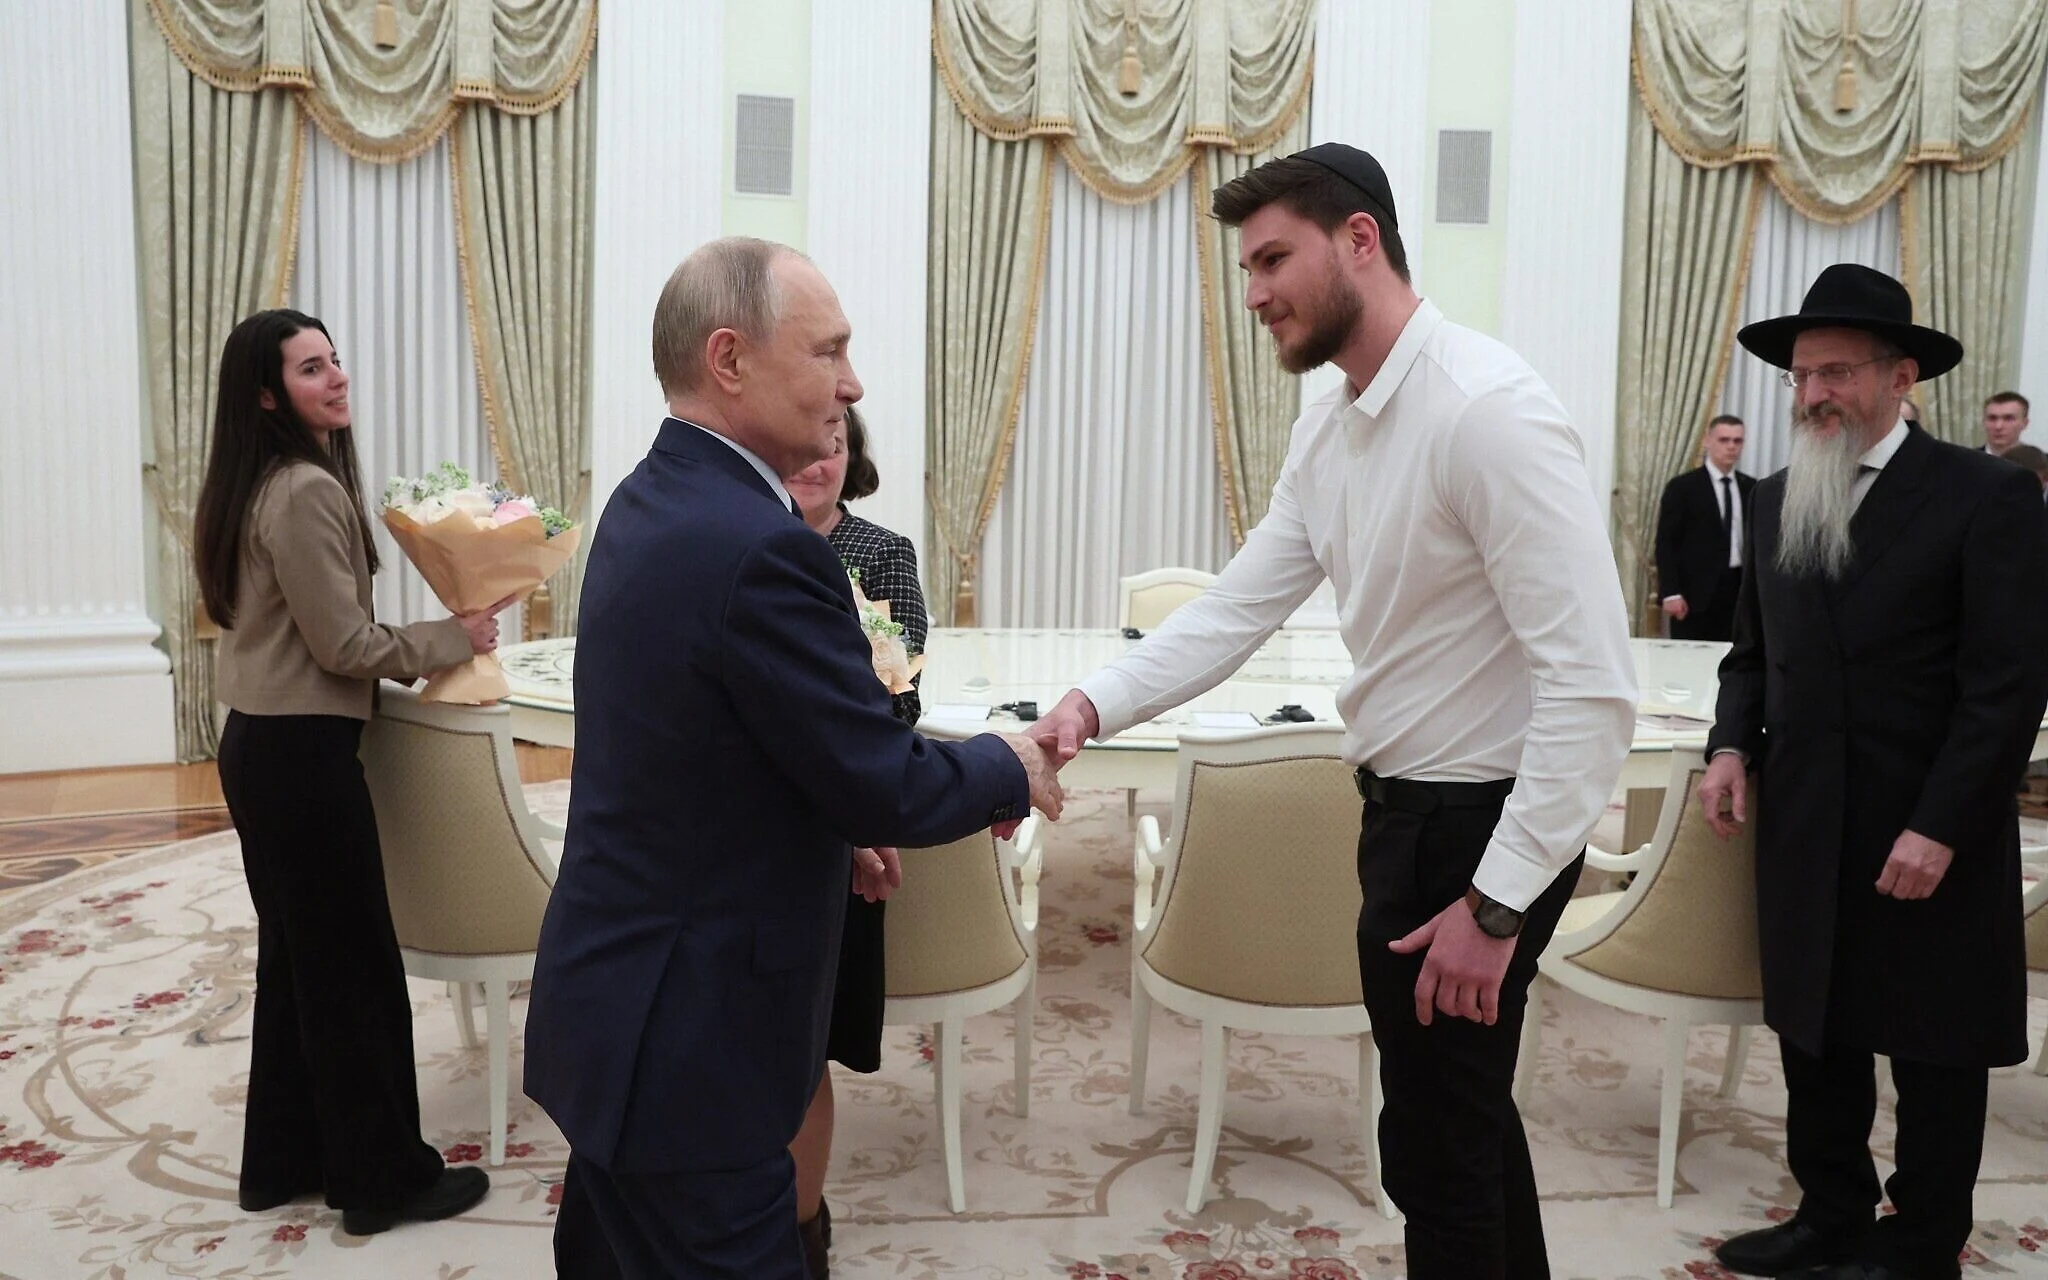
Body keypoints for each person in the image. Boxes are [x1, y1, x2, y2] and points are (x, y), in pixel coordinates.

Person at [1026, 144, 1636, 1278]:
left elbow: (1594, 683)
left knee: (1434, 1151)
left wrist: (1494, 905)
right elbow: (1237, 607)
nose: (1251, 292)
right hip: (1405, 819)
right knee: (1461, 1121)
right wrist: (1089, 699)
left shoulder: (1485, 411)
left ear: (1359, 240)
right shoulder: (1331, 424)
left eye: (1270, 259)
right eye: (1246, 266)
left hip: (1479, 833)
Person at [524, 237, 1063, 1280]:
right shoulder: (757, 545)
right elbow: (884, 776)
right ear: (729, 359)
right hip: (688, 1040)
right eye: (829, 351)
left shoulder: (652, 497)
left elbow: (704, 745)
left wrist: (814, 831)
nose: (850, 384)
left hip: (624, 1002)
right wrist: (1008, 758)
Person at [1698, 264, 2048, 1280]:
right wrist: (1729, 744)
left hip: (1930, 823)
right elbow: (1749, 657)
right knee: (1816, 1030)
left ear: (1901, 378)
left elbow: (2006, 683)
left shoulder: (1984, 496)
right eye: (1799, 376)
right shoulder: (1770, 501)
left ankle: (1925, 1230)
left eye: (1836, 372)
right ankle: (1829, 1207)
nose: (1812, 395)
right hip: (1806, 817)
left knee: (1932, 1040)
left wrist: (1940, 822)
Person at [192, 309, 506, 1236]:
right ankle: (381, 1181)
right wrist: (457, 634)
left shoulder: (260, 484)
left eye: (335, 362)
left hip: (260, 745)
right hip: (299, 757)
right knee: (354, 972)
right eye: (309, 369)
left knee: (300, 965)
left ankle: (282, 1161)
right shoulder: (304, 491)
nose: (335, 379)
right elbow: (343, 644)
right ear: (265, 393)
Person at [780, 404, 928, 1274]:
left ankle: (802, 1225)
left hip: (840, 813)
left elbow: (899, 696)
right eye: (806, 450)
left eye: (834, 449)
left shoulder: (880, 553)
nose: (818, 463)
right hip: (760, 827)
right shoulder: (745, 539)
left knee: (808, 1043)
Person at [1654, 414, 1756, 641]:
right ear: (1707, 441)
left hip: (1739, 591)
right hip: (1695, 595)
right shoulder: (1683, 487)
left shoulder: (1752, 488)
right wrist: (1671, 592)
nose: (1731, 447)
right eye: (1724, 440)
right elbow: (1666, 543)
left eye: (1737, 441)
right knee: (1691, 663)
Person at [1981, 390, 2029, 455]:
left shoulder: (2041, 462)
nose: (1998, 426)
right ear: (1983, 422)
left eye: (2008, 418)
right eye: (1992, 418)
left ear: (2025, 423)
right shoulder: (1965, 461)